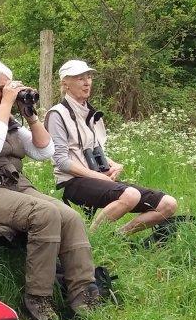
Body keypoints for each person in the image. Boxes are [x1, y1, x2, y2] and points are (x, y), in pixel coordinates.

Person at [0, 56, 102, 320]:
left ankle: (83, 294)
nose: (9, 93)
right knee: (45, 214)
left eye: (10, 88)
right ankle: (38, 298)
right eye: (1, 88)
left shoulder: (8, 121)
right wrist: (7, 103)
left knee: (70, 217)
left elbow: (44, 151)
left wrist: (30, 116)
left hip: (13, 186)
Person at [45, 59, 178, 238]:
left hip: (98, 177)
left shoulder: (92, 113)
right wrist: (98, 176)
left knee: (168, 204)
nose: (87, 82)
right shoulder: (57, 114)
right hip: (71, 182)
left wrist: (114, 165)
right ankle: (91, 240)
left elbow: (95, 151)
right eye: (79, 78)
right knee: (130, 195)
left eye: (89, 77)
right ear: (65, 83)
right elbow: (61, 161)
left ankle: (118, 237)